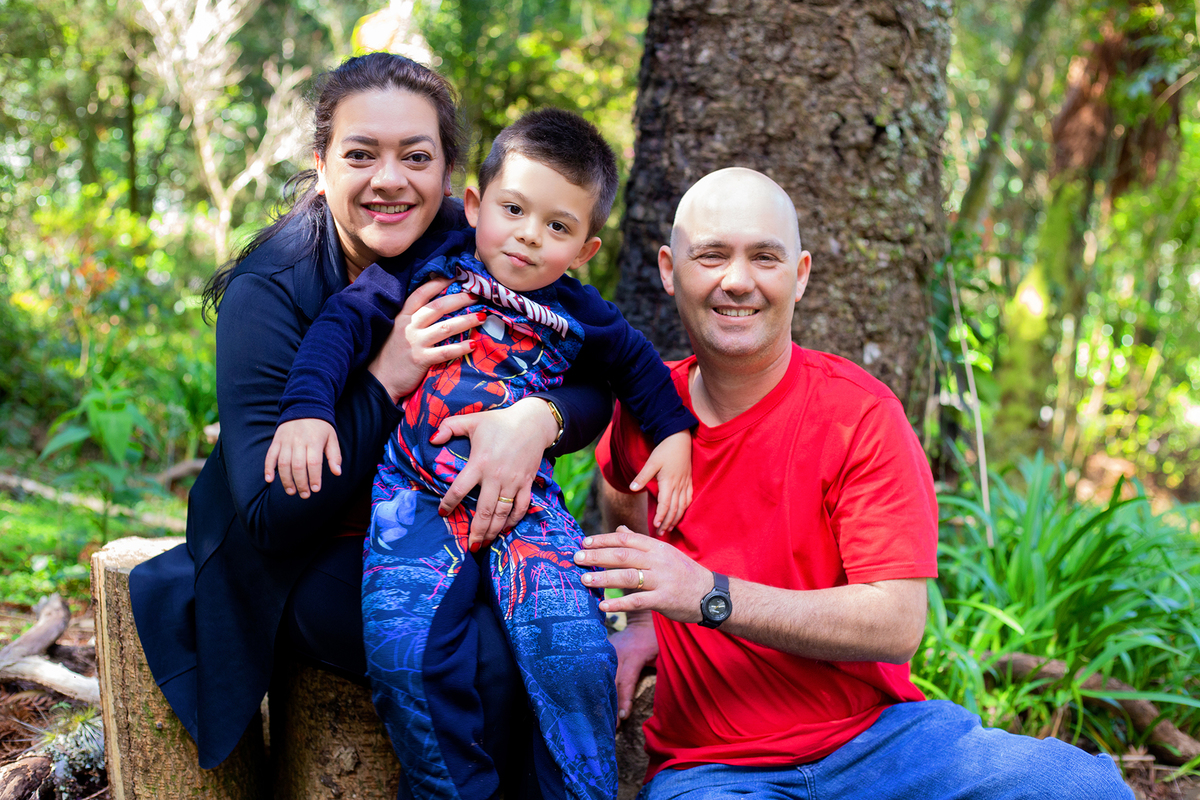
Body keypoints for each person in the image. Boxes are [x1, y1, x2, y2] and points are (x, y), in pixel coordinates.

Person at [127, 54, 614, 799]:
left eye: (415, 157)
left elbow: (596, 367)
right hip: (304, 557)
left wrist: (537, 419)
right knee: (479, 658)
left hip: (442, 524)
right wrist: (388, 375)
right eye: (361, 155)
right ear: (322, 165)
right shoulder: (271, 292)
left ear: (451, 176)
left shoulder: (478, 238)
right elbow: (273, 517)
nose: (391, 180)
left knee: (551, 635)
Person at [576, 168, 1134, 799]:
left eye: (765, 257)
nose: (737, 280)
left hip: (881, 742)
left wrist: (706, 595)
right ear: (670, 270)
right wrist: (649, 614)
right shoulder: (644, 415)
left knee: (1078, 785)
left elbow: (896, 622)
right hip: (714, 768)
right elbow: (620, 491)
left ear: (802, 274)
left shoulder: (858, 414)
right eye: (711, 255)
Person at [264, 108, 697, 800]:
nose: (528, 236)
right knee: (411, 653)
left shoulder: (581, 311)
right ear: (474, 205)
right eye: (514, 210)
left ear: (585, 249)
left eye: (557, 227)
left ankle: (578, 789)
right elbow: (341, 325)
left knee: (576, 650)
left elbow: (638, 368)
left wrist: (674, 437)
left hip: (527, 508)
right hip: (416, 501)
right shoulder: (427, 268)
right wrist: (307, 410)